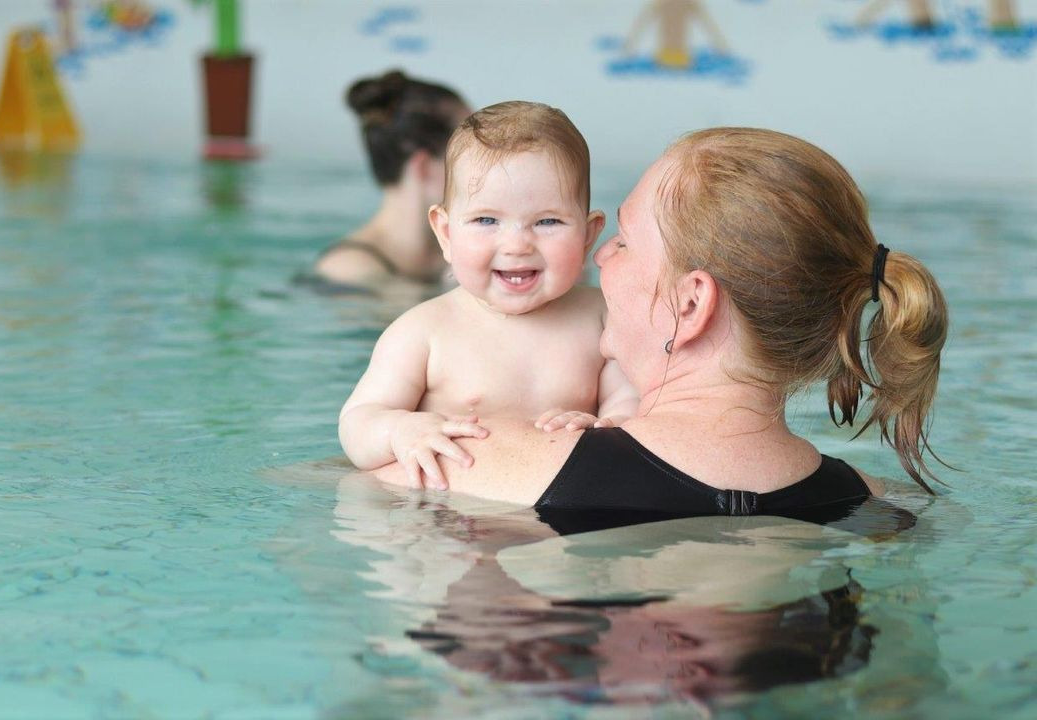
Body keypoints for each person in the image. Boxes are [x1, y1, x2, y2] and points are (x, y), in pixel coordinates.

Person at [373, 127, 950, 518]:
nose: (598, 258)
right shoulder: (877, 506)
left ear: (691, 305)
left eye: (621, 240)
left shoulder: (473, 462)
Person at [339, 102, 640, 489]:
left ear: (587, 235)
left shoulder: (603, 320)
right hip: (449, 521)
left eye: (547, 221)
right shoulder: (423, 331)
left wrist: (609, 425)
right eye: (486, 220)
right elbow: (359, 421)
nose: (516, 244)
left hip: (552, 524)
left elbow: (634, 406)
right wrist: (400, 429)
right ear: (445, 233)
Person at [313, 70, 469, 290]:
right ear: (424, 167)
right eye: (469, 152)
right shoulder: (349, 269)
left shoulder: (459, 255)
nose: (484, 166)